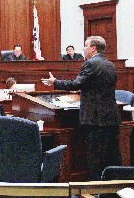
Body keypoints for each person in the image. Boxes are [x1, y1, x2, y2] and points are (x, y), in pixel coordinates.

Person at [42, 36, 120, 181]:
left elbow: (76, 84)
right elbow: (100, 87)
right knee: (111, 159)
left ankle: (95, 191)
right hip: (112, 119)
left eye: (85, 46)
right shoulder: (110, 64)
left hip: (95, 121)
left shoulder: (91, 64)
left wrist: (55, 82)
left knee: (95, 160)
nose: (83, 49)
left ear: (93, 48)